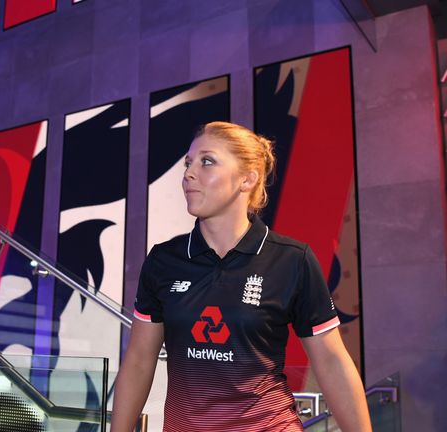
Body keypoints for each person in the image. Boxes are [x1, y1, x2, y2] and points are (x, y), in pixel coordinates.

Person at [110, 122, 372, 431]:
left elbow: (331, 361)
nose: (189, 173)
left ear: (247, 179)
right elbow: (139, 360)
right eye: (188, 163)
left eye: (207, 161)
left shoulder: (292, 259)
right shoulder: (163, 261)